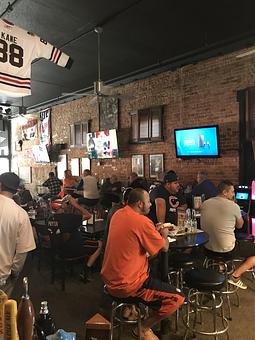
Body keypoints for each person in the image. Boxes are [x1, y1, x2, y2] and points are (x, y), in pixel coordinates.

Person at [101, 188, 184, 339]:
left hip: (108, 281)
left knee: (150, 270)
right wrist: (163, 234)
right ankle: (143, 328)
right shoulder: (142, 221)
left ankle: (132, 310)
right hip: (128, 285)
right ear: (140, 204)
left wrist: (153, 230)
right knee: (177, 298)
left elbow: (133, 236)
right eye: (148, 202)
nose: (151, 204)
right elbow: (164, 247)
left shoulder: (118, 214)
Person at [201, 180, 255, 289]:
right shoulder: (233, 206)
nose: (234, 194)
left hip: (207, 248)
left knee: (222, 238)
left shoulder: (205, 203)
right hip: (227, 251)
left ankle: (221, 267)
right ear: (225, 192)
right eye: (232, 192)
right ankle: (235, 276)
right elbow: (240, 226)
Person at [48, 194, 102, 282]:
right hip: (74, 249)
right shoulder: (69, 218)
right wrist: (75, 205)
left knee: (85, 240)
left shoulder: (50, 218)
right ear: (59, 205)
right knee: (100, 244)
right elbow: (88, 215)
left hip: (59, 249)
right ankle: (85, 270)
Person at [0, 172, 36, 295]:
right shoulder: (20, 214)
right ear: (16, 190)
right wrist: (14, 272)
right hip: (2, 275)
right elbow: (22, 251)